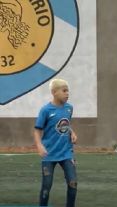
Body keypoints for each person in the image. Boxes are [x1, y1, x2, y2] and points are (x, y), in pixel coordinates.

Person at [34, 79, 78, 207]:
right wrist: (39, 145)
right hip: (49, 153)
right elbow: (37, 130)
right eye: (64, 91)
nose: (67, 93)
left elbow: (66, 124)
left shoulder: (69, 108)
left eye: (68, 91)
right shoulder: (45, 110)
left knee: (73, 183)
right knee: (46, 186)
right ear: (54, 92)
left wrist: (72, 133)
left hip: (66, 153)